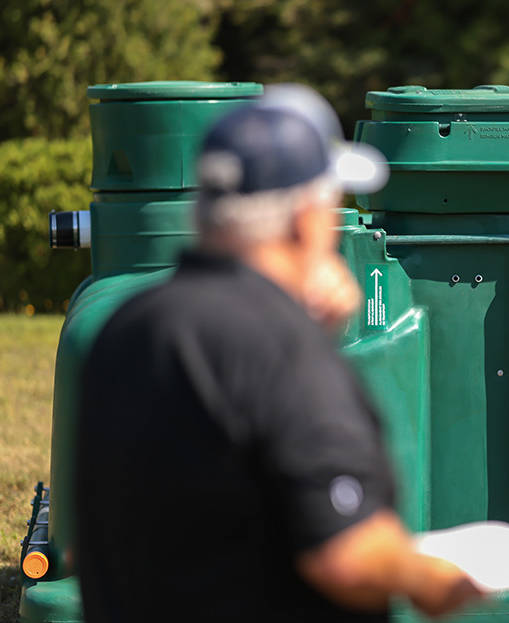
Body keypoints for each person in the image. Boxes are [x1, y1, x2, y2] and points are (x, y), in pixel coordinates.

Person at [76, 85, 480, 623]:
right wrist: (440, 578)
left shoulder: (126, 326)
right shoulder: (279, 345)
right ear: (305, 219)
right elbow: (346, 555)